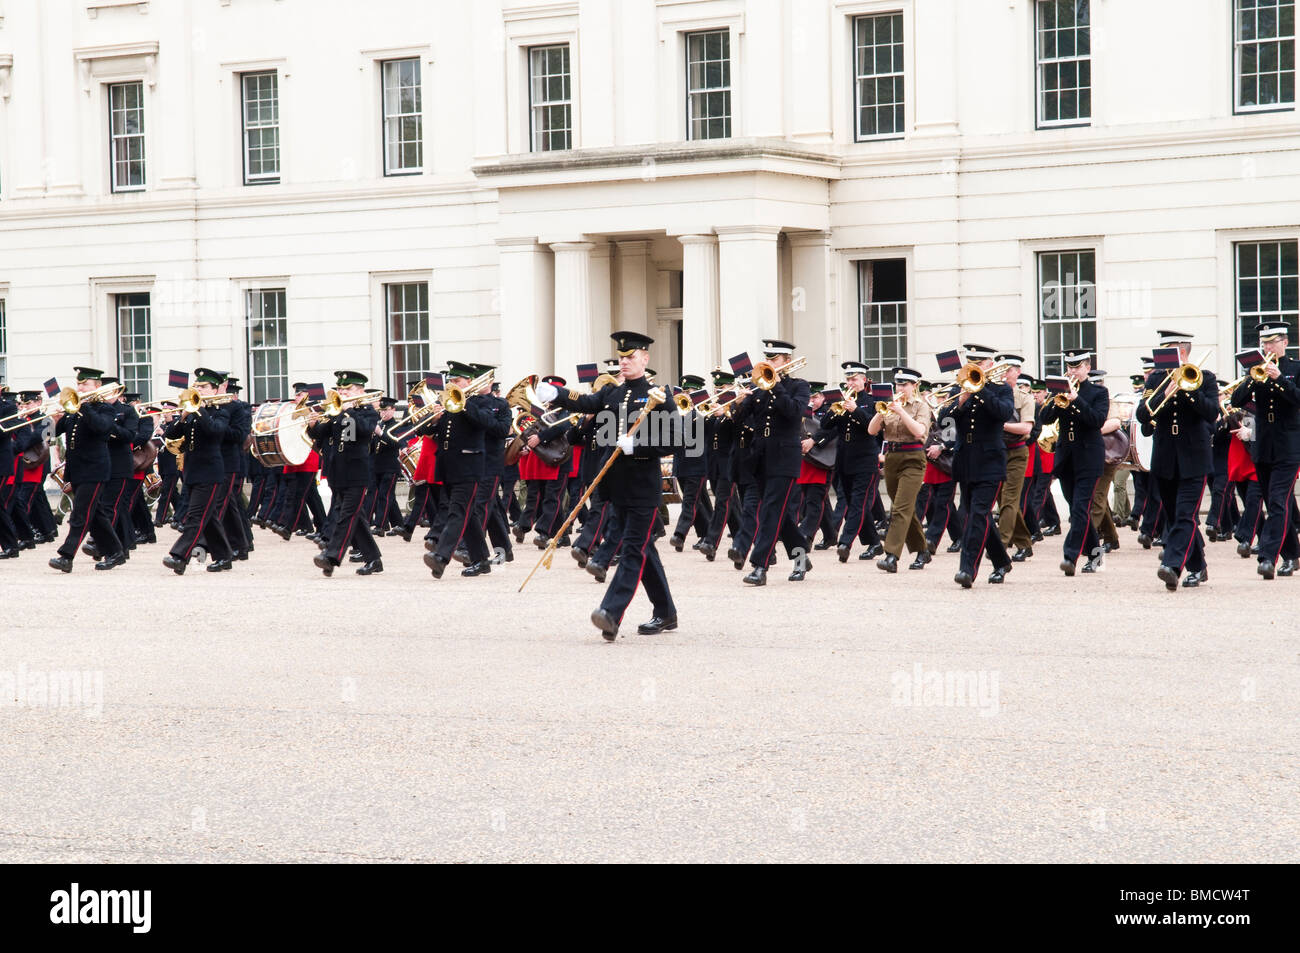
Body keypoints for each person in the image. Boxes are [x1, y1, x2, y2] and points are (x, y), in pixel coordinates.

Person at [537, 331, 677, 640]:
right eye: (621, 358)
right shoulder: (614, 394)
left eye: (630, 357)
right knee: (644, 550)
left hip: (642, 487)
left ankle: (610, 613)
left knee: (631, 551)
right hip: (616, 486)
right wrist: (555, 394)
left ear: (645, 358)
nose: (624, 362)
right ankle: (666, 612)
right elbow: (585, 401)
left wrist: (637, 445)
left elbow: (675, 440)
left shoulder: (659, 395)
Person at [1136, 330, 1217, 590]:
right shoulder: (1156, 379)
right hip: (1165, 457)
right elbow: (1142, 414)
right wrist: (1165, 392)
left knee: (1185, 515)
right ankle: (1198, 566)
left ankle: (1172, 566)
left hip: (1194, 457)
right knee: (1175, 515)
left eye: (1170, 350)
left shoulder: (1205, 378)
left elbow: (1212, 413)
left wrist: (1187, 391)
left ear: (1183, 352)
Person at [734, 339, 812, 585]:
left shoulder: (799, 386)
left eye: (774, 359)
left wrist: (776, 386)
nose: (768, 363)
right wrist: (739, 403)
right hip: (759, 456)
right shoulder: (758, 388)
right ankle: (801, 558)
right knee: (779, 514)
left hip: (784, 456)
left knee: (770, 511)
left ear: (787, 362)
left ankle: (760, 565)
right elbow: (740, 422)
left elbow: (793, 412)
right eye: (767, 358)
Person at [1229, 322, 1300, 579]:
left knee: (1279, 501)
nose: (1267, 347)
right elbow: (1236, 401)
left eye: (1272, 342)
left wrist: (1279, 379)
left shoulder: (1294, 368)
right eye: (1264, 343)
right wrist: (1251, 378)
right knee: (1275, 502)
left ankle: (1268, 557)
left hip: (1289, 446)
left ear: (1285, 342)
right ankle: (1292, 554)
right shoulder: (1256, 371)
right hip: (1263, 445)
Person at [421, 361, 498, 579]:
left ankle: (441, 557)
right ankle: (482, 560)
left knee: (457, 512)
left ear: (469, 382)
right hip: (449, 466)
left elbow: (488, 424)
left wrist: (464, 404)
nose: (452, 384)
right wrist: (433, 418)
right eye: (451, 381)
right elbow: (429, 432)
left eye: (457, 381)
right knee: (470, 515)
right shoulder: (448, 402)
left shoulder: (480, 402)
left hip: (469, 465)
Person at [948, 344, 1015, 587]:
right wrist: (962, 400)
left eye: (981, 362)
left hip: (990, 461)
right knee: (979, 515)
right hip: (965, 459)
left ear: (990, 365)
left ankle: (967, 569)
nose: (976, 366)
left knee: (975, 516)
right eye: (972, 361)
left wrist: (981, 390)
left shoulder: (1001, 389)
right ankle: (1001, 561)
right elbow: (944, 416)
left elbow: (1004, 413)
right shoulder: (959, 388)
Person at [1040, 350, 1109, 576]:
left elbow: (1096, 420)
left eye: (1077, 367)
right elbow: (1045, 418)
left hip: (1089, 457)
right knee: (1078, 509)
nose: (1072, 371)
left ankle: (1070, 557)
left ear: (1087, 368)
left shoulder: (1098, 392)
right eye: (1069, 367)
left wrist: (1075, 400)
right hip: (1066, 457)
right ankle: (1096, 555)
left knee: (1080, 509)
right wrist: (1056, 399)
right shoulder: (1061, 390)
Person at [307, 371, 383, 576]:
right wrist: (313, 424)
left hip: (357, 471)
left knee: (346, 515)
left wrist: (349, 411)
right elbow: (322, 434)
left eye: (347, 389)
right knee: (356, 518)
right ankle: (374, 559)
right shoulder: (337, 411)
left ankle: (331, 556)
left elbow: (366, 430)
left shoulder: (367, 411)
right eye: (340, 388)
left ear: (360, 390)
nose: (342, 392)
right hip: (338, 470)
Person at [162, 369, 233, 574]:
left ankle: (179, 556)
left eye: (203, 387)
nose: (198, 389)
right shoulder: (191, 412)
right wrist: (182, 417)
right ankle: (224, 557)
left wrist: (199, 410)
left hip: (210, 473)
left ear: (214, 390)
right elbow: (171, 434)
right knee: (209, 518)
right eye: (197, 386)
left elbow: (214, 432)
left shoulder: (221, 411)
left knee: (195, 517)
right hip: (192, 472)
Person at [815, 360, 882, 565]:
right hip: (844, 459)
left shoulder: (872, 402)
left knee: (858, 503)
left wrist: (854, 410)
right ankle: (874, 542)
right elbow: (825, 425)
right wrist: (834, 410)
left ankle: (845, 543)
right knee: (855, 504)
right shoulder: (842, 402)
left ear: (864, 380)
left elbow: (873, 427)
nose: (851, 383)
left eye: (854, 379)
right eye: (848, 379)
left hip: (865, 459)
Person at [869, 367, 931, 572]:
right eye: (898, 384)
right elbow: (871, 430)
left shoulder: (921, 406)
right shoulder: (890, 404)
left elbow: (919, 431)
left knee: (899, 509)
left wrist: (901, 412)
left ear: (914, 386)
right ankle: (922, 550)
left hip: (913, 458)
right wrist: (881, 412)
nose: (900, 388)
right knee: (903, 507)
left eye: (905, 384)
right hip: (892, 458)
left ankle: (891, 555)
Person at [995, 354, 1035, 560]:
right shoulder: (994, 394)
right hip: (997, 451)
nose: (1003, 374)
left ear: (1017, 372)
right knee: (1003, 500)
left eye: (1008, 370)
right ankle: (1024, 543)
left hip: (1017, 452)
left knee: (1010, 499)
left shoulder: (1025, 397)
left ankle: (1000, 544)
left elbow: (1025, 427)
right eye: (1000, 369)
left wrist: (1001, 425)